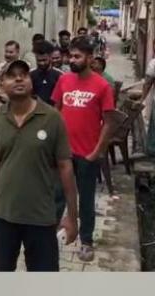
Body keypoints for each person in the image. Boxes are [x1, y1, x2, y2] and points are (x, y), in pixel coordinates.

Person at [0, 59, 79, 272]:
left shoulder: (52, 118)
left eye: (23, 73)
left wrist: (71, 216)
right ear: (1, 84)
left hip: (41, 217)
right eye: (11, 75)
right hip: (3, 216)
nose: (18, 78)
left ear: (30, 81)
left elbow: (65, 167)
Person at [51, 36, 116, 262]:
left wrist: (96, 152)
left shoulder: (102, 86)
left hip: (87, 154)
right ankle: (51, 234)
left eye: (77, 56)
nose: (72, 60)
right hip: (63, 154)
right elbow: (55, 111)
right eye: (71, 56)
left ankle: (86, 241)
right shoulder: (64, 81)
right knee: (57, 194)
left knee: (86, 199)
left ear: (90, 58)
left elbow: (109, 122)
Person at [30, 41, 63, 106]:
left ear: (50, 57)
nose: (42, 63)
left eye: (44, 60)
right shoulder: (30, 75)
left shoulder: (60, 75)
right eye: (39, 60)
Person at [0, 40, 21, 110]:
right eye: (6, 52)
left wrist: (10, 100)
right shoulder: (0, 66)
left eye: (11, 52)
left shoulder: (23, 68)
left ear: (17, 52)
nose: (7, 55)